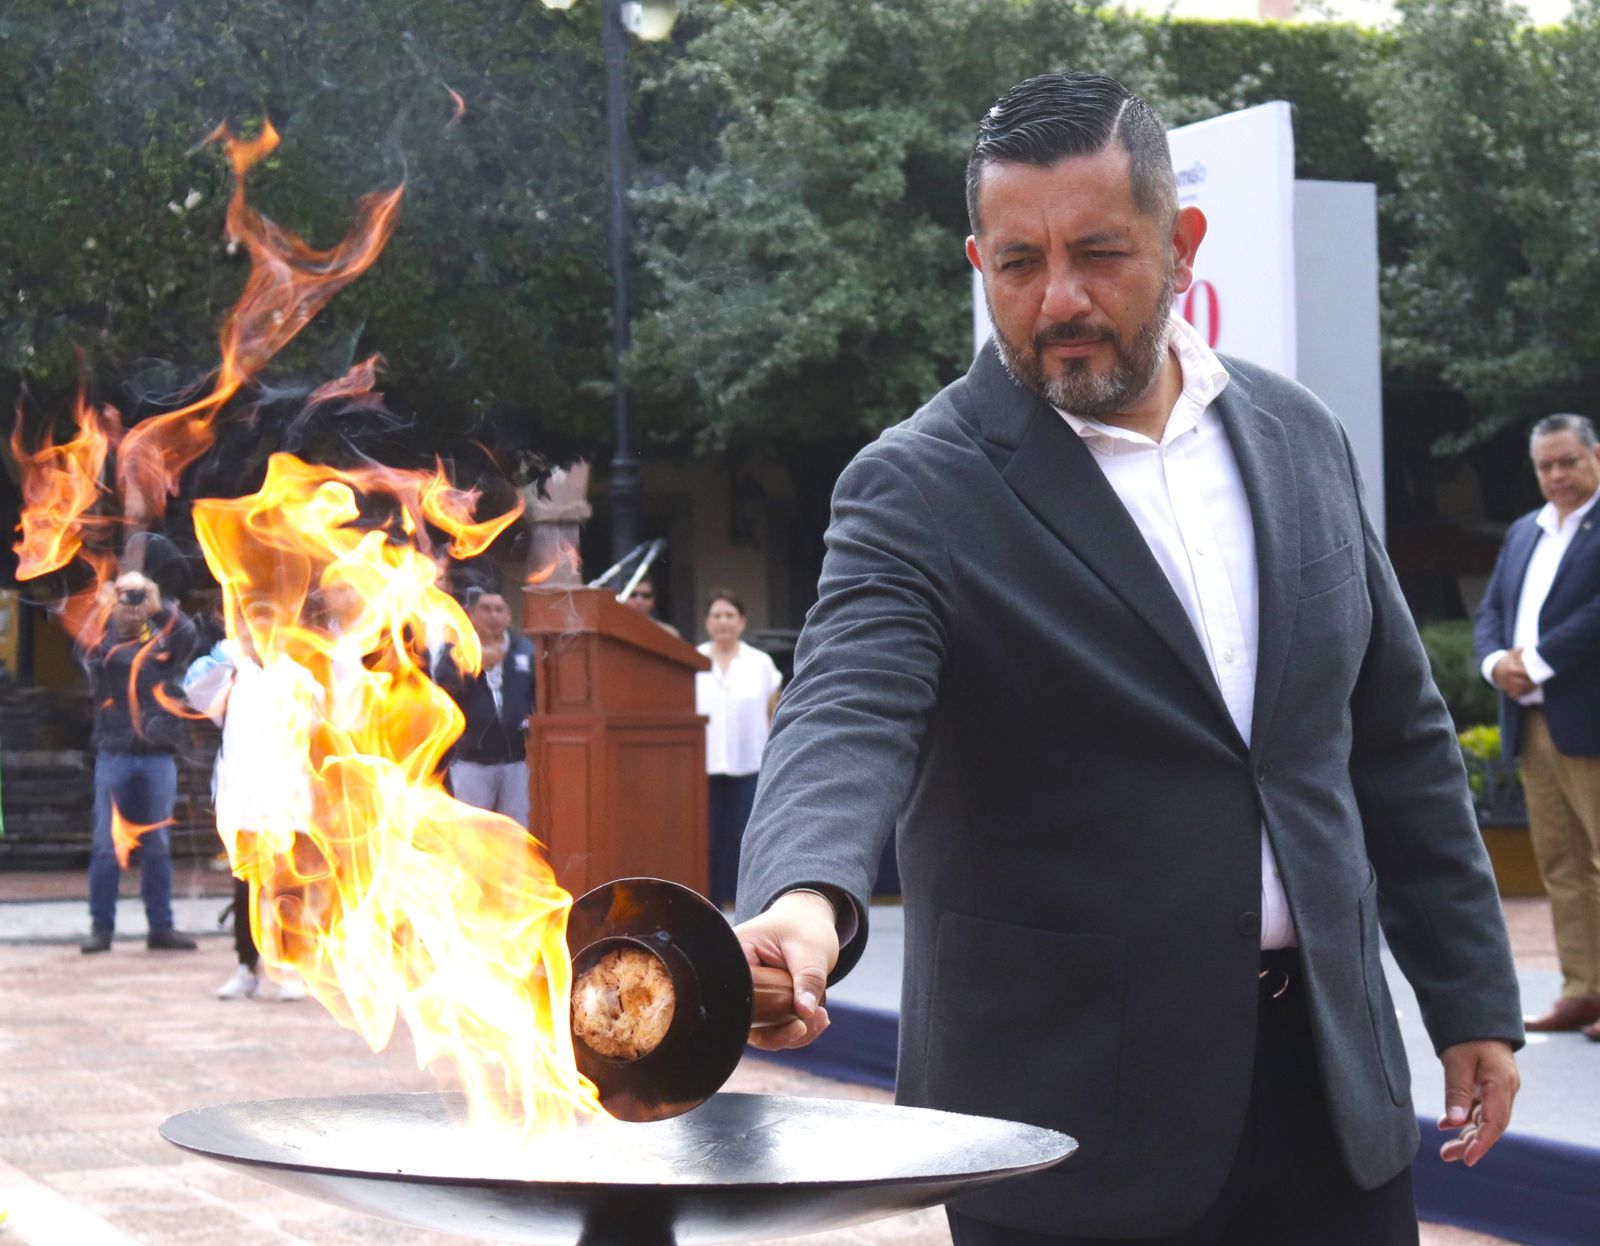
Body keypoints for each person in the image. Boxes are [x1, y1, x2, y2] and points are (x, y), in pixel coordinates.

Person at [732, 73, 1522, 1246]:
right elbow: (847, 709)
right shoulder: (914, 486)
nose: (1059, 299)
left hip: (1329, 1094)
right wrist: (800, 903)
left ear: (1182, 241)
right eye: (1018, 262)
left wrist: (1468, 998)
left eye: (1099, 253)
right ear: (976, 261)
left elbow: (1393, 738)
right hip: (1063, 1135)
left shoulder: (1299, 434)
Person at [1474, 413, 1600, 1041]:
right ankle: (1583, 991)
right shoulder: (1525, 531)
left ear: (1595, 456)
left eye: (1568, 461)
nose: (1557, 475)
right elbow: (1493, 608)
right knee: (1563, 865)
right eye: (1546, 466)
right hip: (1532, 720)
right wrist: (1498, 663)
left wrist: (1538, 660)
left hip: (1589, 720)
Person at [184, 620, 314, 1002]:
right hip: (242, 802)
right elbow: (195, 692)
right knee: (245, 890)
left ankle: (291, 968)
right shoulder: (230, 675)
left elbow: (323, 722)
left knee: (288, 890)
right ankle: (246, 968)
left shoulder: (299, 675)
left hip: (287, 799)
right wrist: (227, 654)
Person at [80, 569, 202, 953]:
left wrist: (159, 605)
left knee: (157, 847)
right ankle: (101, 928)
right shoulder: (102, 644)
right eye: (125, 597)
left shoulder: (162, 641)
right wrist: (99, 611)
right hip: (113, 754)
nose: (131, 607)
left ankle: (160, 928)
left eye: (137, 596)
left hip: (156, 757)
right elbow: (80, 651)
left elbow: (189, 639)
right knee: (105, 847)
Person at [696, 589, 781, 908]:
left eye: (730, 615)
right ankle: (711, 907)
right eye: (716, 615)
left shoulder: (761, 664)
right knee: (709, 843)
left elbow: (774, 713)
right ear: (707, 621)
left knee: (747, 840)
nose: (723, 622)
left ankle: (750, 907)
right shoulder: (693, 658)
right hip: (704, 767)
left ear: (742, 622)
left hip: (750, 766)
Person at [436, 587, 536, 827]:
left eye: (499, 609)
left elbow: (539, 694)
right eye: (486, 609)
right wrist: (471, 671)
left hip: (517, 759)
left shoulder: (525, 650)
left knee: (516, 829)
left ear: (509, 614)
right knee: (474, 831)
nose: (493, 616)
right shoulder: (455, 651)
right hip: (472, 759)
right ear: (471, 615)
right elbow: (446, 692)